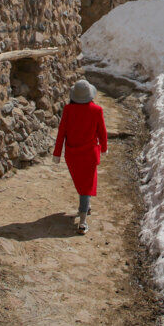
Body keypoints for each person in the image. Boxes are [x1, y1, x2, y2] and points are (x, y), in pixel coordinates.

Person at [53, 79, 108, 234]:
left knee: (82, 183)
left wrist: (57, 153)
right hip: (90, 154)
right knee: (86, 184)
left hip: (72, 155)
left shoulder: (68, 110)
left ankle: (84, 209)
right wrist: (104, 148)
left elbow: (61, 133)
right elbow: (102, 132)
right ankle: (83, 221)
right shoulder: (97, 110)